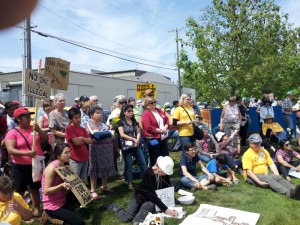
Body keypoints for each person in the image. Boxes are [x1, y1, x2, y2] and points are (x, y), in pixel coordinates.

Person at [100, 156, 178, 225]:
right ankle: (115, 208)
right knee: (127, 217)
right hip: (139, 197)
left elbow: (167, 187)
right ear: (158, 166)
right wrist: (166, 209)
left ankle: (137, 221)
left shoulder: (164, 175)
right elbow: (152, 195)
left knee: (147, 206)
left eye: (165, 172)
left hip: (151, 201)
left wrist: (172, 199)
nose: (164, 174)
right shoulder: (148, 173)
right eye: (163, 172)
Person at [5, 107, 48, 217]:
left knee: (35, 188)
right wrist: (27, 153)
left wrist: (39, 130)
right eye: (26, 117)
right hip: (20, 167)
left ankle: (36, 209)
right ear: (19, 119)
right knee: (20, 190)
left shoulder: (34, 129)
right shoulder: (12, 133)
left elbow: (45, 139)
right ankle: (19, 211)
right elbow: (10, 150)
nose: (29, 119)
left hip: (35, 165)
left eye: (30, 116)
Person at [242, 133, 300, 200]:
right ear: (250, 144)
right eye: (256, 143)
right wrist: (259, 182)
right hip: (253, 176)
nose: (258, 144)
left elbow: (271, 164)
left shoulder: (263, 151)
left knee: (278, 178)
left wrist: (277, 175)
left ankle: (295, 190)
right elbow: (248, 172)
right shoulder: (247, 154)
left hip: (265, 174)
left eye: (259, 142)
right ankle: (289, 193)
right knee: (269, 179)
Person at [42, 143, 85, 225]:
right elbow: (46, 191)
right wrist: (61, 186)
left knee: (83, 196)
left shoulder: (65, 165)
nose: (69, 155)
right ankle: (52, 218)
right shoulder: (51, 168)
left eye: (69, 152)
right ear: (58, 155)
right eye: (66, 153)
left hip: (62, 199)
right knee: (79, 223)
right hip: (52, 205)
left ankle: (65, 214)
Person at [86, 105, 115, 200]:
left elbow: (113, 134)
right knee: (94, 168)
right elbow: (97, 136)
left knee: (105, 167)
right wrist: (109, 132)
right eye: (97, 113)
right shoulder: (90, 123)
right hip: (96, 150)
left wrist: (108, 133)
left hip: (106, 150)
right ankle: (93, 190)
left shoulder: (102, 124)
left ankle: (104, 186)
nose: (100, 115)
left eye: (100, 113)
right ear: (91, 115)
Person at [117, 104, 146, 190]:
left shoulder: (134, 121)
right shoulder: (120, 122)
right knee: (129, 164)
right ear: (124, 112)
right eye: (129, 111)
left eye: (132, 111)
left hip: (136, 145)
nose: (131, 113)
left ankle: (145, 181)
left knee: (143, 163)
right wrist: (133, 139)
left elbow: (138, 132)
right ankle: (130, 183)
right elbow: (122, 134)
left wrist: (137, 140)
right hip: (127, 146)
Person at [65, 108, 93, 181]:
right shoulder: (69, 129)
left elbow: (90, 141)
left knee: (82, 179)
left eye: (79, 117)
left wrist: (82, 138)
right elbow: (76, 143)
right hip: (75, 158)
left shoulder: (82, 129)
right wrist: (84, 140)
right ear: (71, 119)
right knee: (75, 180)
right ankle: (70, 193)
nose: (78, 119)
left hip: (85, 157)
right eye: (75, 118)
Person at [142, 97, 169, 166]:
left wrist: (165, 127)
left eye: (154, 102)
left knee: (164, 155)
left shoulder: (159, 110)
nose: (154, 103)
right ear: (147, 105)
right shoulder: (146, 113)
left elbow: (166, 120)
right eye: (152, 103)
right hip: (153, 138)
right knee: (155, 156)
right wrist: (160, 130)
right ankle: (154, 173)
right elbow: (148, 127)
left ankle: (164, 172)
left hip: (162, 137)